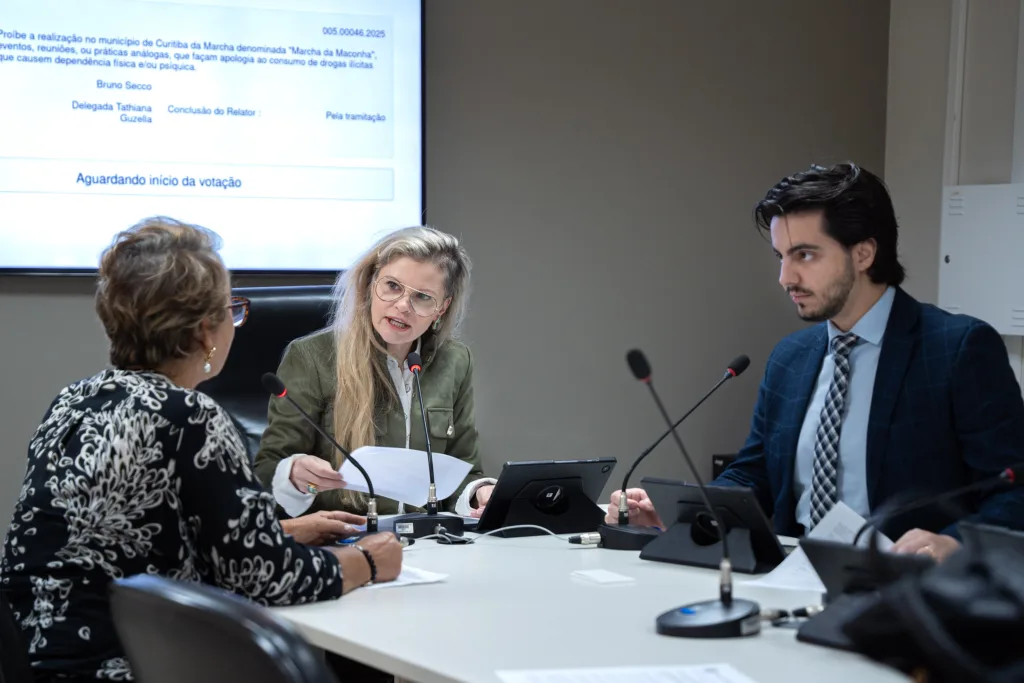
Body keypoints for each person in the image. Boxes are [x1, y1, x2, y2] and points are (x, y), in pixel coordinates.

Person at [0, 218, 403, 683]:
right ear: (204, 332)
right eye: (231, 308)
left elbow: (132, 544)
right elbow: (266, 580)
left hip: (40, 661)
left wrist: (285, 532)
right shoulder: (188, 415)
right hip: (120, 667)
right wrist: (368, 561)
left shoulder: (74, 401)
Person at [606, 162, 1024, 562]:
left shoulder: (957, 349)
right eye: (781, 257)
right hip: (793, 577)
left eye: (804, 255)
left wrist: (958, 545)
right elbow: (754, 478)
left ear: (863, 254)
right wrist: (679, 513)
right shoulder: (790, 357)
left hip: (910, 595)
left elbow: (1014, 492)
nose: (785, 277)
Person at [253, 226, 496, 521]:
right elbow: (266, 472)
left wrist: (479, 492)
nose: (403, 306)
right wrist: (292, 475)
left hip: (428, 542)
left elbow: (463, 467)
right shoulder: (311, 357)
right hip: (343, 539)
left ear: (441, 308)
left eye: (422, 297)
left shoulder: (455, 360)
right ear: (371, 284)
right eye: (393, 286)